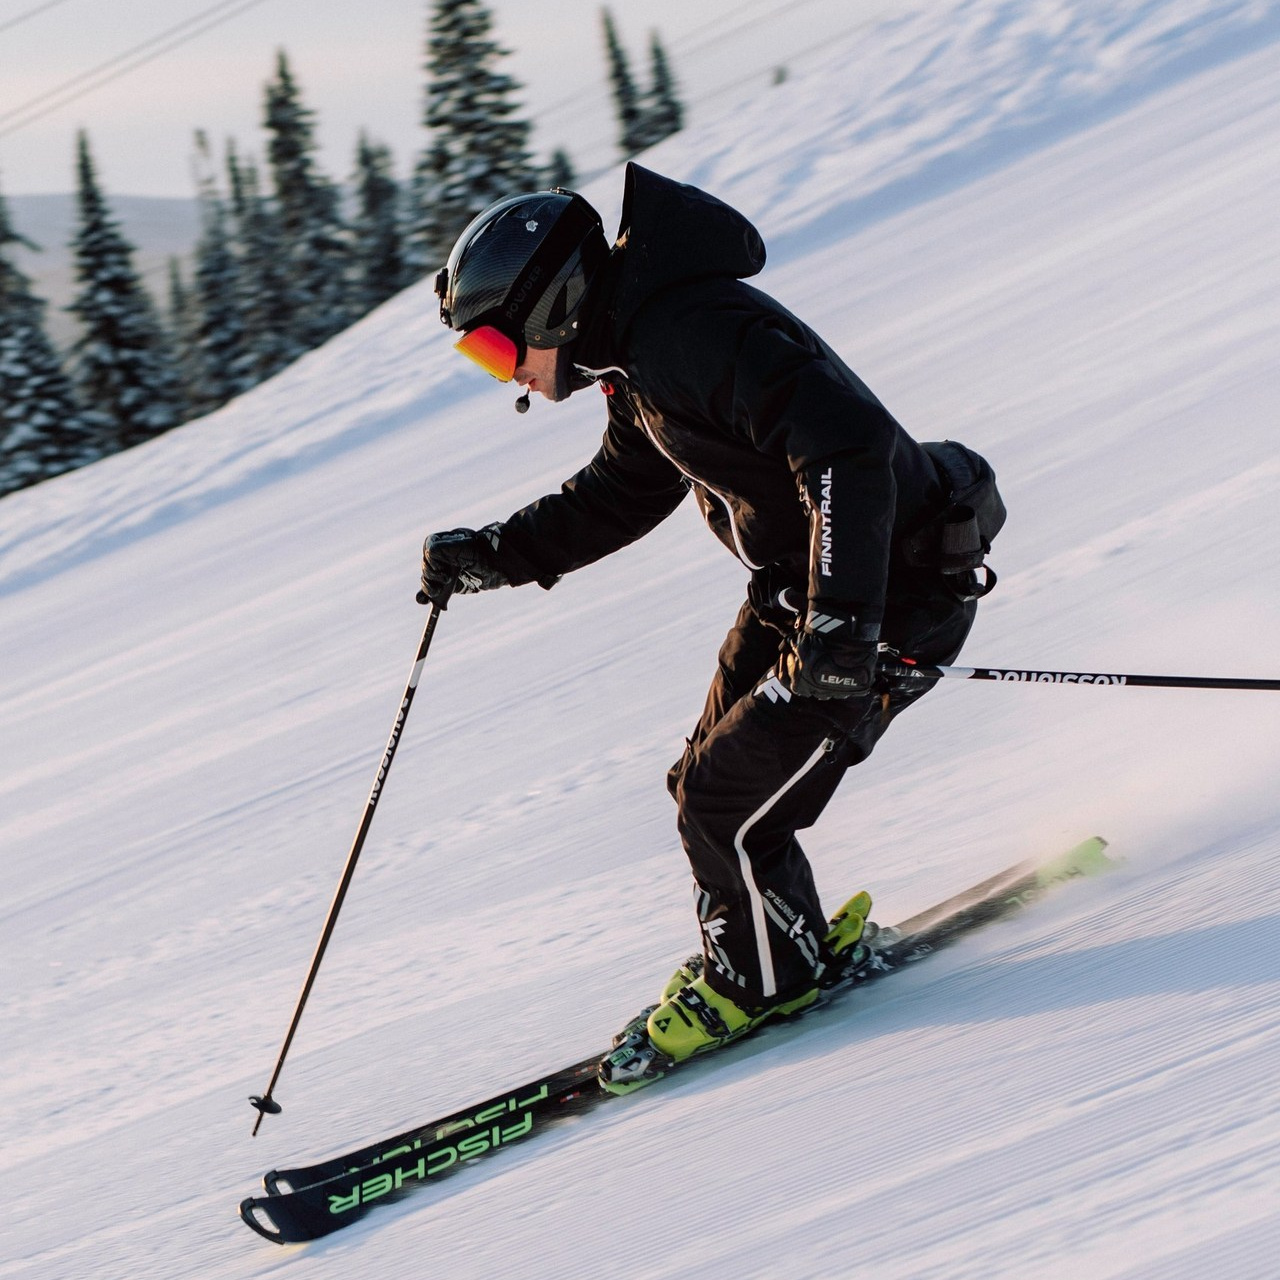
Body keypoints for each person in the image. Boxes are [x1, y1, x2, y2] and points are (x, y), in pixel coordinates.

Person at [420, 163, 1003, 1091]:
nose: (509, 376)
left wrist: (843, 628)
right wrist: (499, 552)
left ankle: (762, 981)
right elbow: (622, 491)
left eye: (497, 349)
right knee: (706, 786)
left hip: (886, 596)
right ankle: (779, 951)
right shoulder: (637, 355)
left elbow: (846, 449)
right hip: (804, 594)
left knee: (723, 804)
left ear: (553, 306)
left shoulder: (691, 333)